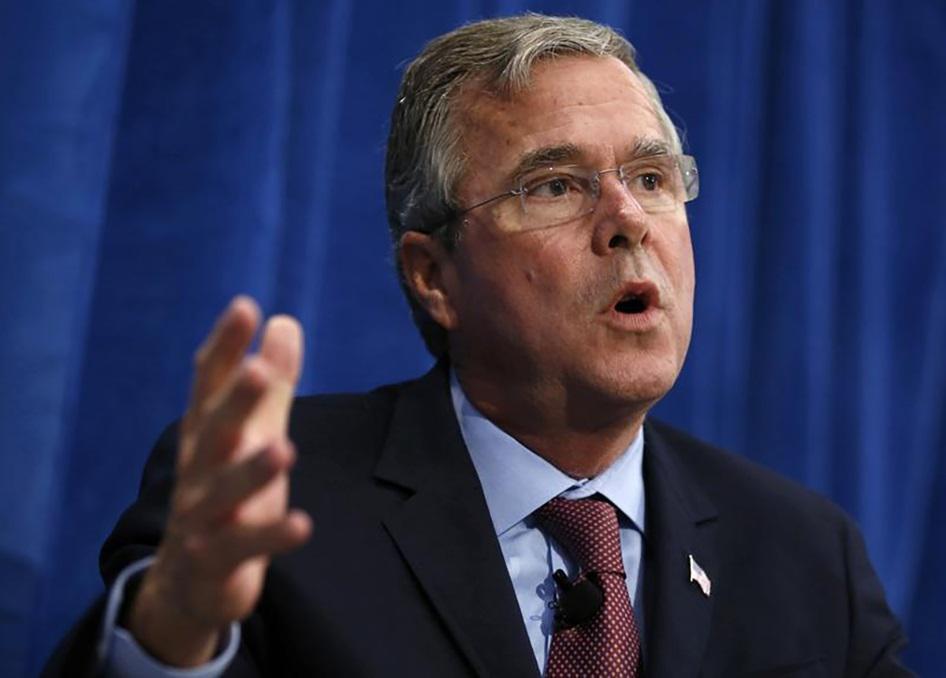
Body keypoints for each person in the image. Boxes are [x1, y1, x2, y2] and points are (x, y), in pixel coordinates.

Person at [44, 14, 912, 677]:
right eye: (556, 186)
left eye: (651, 177)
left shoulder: (807, 557)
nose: (627, 222)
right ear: (434, 277)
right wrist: (176, 631)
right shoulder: (277, 502)